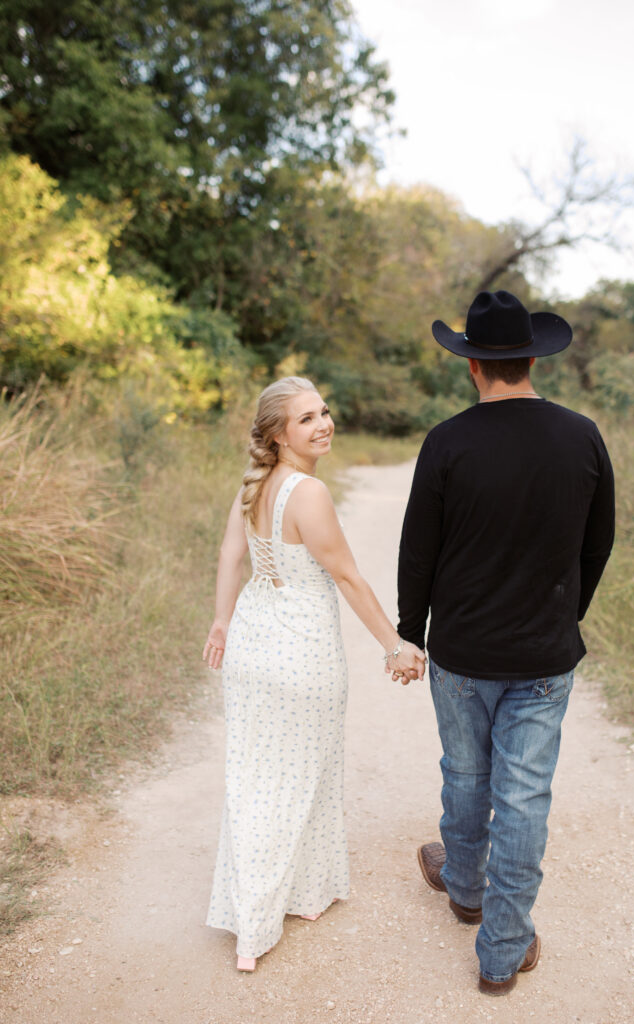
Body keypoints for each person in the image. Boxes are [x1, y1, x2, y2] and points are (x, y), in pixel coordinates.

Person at [395, 291, 614, 995]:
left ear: (473, 368)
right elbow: (597, 543)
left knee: (465, 774)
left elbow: (417, 553)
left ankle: (464, 888)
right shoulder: (582, 437)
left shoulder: (447, 442)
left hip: (461, 652)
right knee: (523, 797)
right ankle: (502, 951)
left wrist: (410, 631)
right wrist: (564, 615)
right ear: (530, 357)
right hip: (545, 656)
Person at [203, 376, 424, 972]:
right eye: (306, 419)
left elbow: (231, 555)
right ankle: (256, 926)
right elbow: (348, 577)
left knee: (257, 776)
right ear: (278, 434)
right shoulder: (308, 494)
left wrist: (222, 622)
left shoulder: (254, 484)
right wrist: (394, 647)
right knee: (302, 775)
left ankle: (298, 895)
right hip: (302, 652)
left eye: (324, 411)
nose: (323, 423)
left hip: (253, 641)